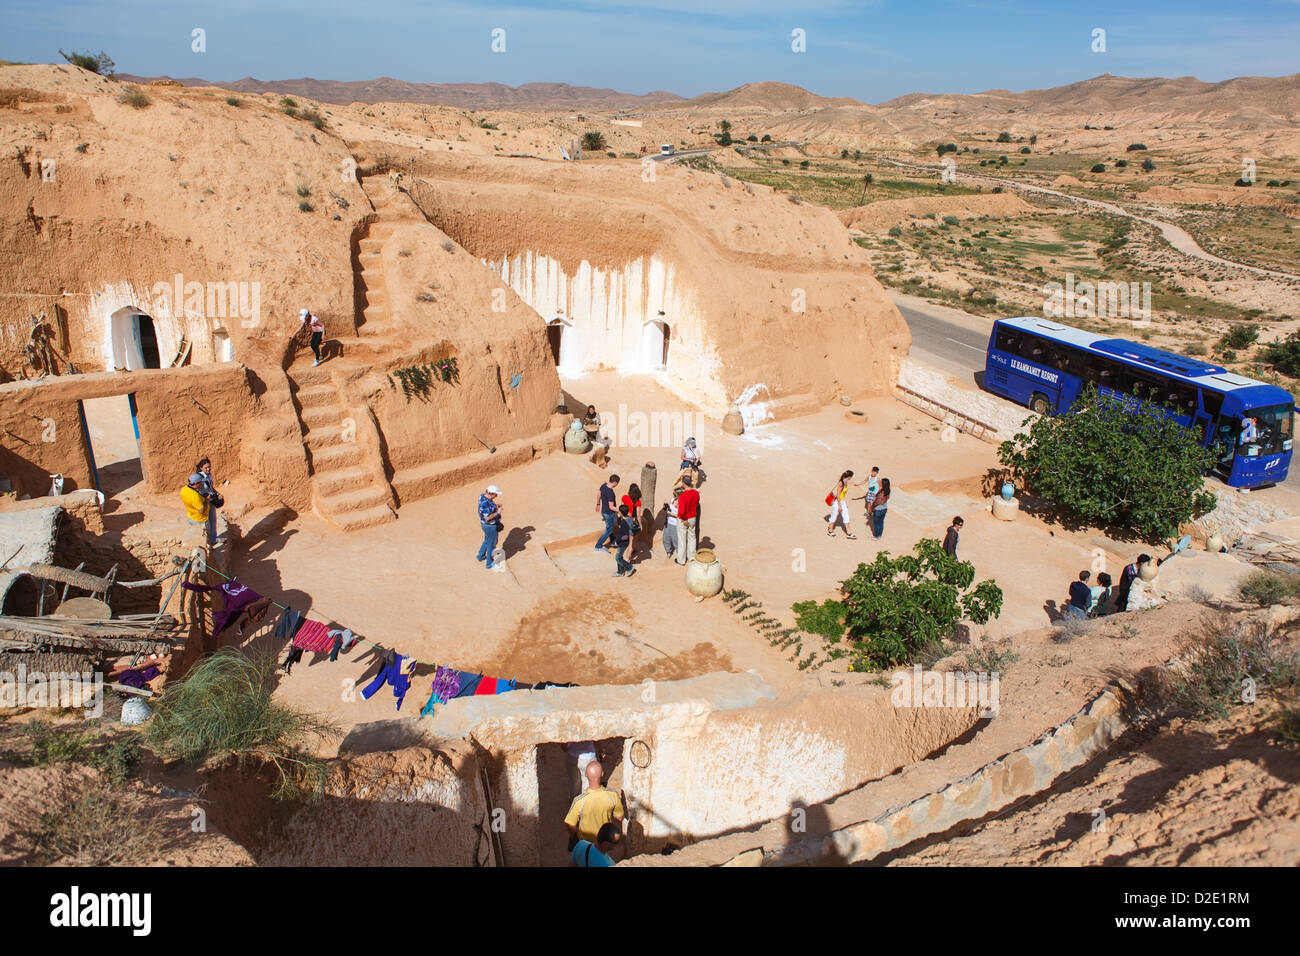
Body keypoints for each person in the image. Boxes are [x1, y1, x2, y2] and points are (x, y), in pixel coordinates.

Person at [564, 759, 625, 848]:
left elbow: (570, 824)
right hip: (604, 843)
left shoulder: (579, 801)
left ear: (586, 775)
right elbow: (620, 817)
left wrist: (573, 836)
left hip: (585, 844)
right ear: (602, 774)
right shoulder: (613, 795)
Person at [826, 470, 862, 539]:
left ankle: (849, 533)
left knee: (846, 517)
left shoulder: (845, 482)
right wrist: (839, 505)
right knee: (834, 517)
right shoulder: (841, 483)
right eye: (851, 477)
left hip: (842, 502)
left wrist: (843, 503)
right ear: (849, 476)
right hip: (837, 502)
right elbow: (838, 495)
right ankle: (830, 531)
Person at [195, 456, 222, 545]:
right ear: (201, 468)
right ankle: (208, 541)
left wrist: (217, 493)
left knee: (213, 520)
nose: (208, 469)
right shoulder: (199, 478)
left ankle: (214, 538)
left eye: (209, 467)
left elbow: (211, 487)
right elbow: (198, 490)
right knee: (206, 522)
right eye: (206, 467)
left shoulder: (209, 475)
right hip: (204, 501)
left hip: (211, 499)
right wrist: (206, 498)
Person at [475, 485, 502, 570]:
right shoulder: (485, 503)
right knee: (491, 545)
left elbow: (488, 507)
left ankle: (480, 556)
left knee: (487, 541)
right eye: (495, 494)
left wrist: (495, 506)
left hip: (486, 526)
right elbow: (488, 517)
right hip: (490, 527)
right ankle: (490, 564)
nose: (496, 496)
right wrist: (498, 512)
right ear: (490, 494)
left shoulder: (483, 496)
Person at [675, 476, 700, 565]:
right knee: (692, 538)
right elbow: (696, 503)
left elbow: (681, 511)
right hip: (693, 518)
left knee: (682, 540)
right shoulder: (696, 493)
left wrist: (684, 519)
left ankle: (681, 560)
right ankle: (692, 558)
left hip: (684, 519)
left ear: (684, 483)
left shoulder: (683, 496)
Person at [181, 473, 211, 541]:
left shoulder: (184, 489)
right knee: (205, 539)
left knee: (196, 538)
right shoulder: (195, 496)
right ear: (195, 483)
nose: (202, 484)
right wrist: (207, 500)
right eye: (201, 482)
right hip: (200, 520)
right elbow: (201, 510)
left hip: (191, 517)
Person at [595, 475, 620, 550]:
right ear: (615, 482)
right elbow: (611, 507)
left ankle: (613, 541)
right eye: (617, 483)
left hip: (604, 511)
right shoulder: (610, 493)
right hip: (609, 513)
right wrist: (621, 510)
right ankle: (598, 545)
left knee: (610, 527)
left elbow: (599, 494)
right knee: (609, 530)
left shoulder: (603, 485)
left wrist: (598, 503)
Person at [621, 483, 644, 560]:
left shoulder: (624, 497)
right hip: (632, 522)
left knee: (627, 538)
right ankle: (627, 559)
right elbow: (638, 515)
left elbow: (621, 508)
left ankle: (628, 551)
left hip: (624, 520)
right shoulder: (637, 502)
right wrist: (640, 525)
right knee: (632, 541)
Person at [612, 504, 636, 577]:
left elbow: (625, 536)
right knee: (620, 556)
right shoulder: (628, 519)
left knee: (618, 558)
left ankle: (629, 567)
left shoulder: (624, 523)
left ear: (621, 513)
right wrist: (619, 518)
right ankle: (620, 572)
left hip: (622, 543)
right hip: (623, 542)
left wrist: (617, 541)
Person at [662, 488, 680, 560]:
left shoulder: (681, 503)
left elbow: (679, 515)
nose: (673, 495)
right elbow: (668, 509)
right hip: (668, 522)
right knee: (666, 538)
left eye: (674, 494)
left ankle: (679, 553)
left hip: (675, 524)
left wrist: (669, 513)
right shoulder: (673, 500)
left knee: (675, 539)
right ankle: (668, 552)